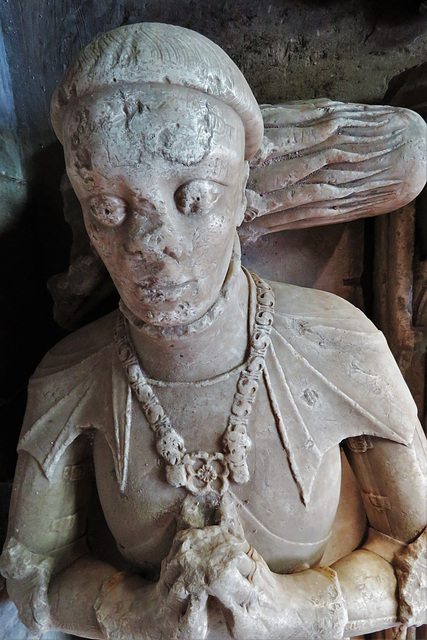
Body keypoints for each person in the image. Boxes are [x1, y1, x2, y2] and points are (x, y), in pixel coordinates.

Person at [1, 23, 426, 640]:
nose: (151, 246)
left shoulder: (338, 345)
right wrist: (137, 613)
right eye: (109, 210)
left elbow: (416, 552)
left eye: (192, 198)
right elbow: (33, 569)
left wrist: (289, 609)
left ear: (241, 194)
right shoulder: (72, 376)